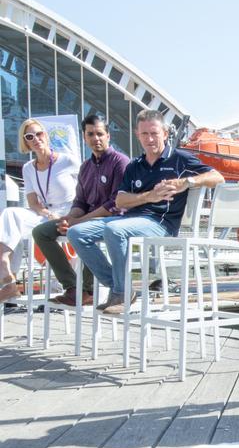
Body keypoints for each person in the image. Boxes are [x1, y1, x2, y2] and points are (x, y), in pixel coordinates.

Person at [67, 110, 224, 315]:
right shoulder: (135, 165)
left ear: (165, 133)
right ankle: (120, 285)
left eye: (154, 133)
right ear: (137, 135)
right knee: (76, 233)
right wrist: (149, 196)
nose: (150, 139)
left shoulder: (179, 159)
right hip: (130, 220)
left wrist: (187, 182)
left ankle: (121, 293)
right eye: (144, 134)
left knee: (115, 229)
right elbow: (120, 200)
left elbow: (217, 176)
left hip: (161, 224)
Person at [33, 113, 129, 307]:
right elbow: (80, 202)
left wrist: (79, 221)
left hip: (115, 219)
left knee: (79, 231)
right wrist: (69, 218)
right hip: (89, 218)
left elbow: (116, 204)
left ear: (108, 136)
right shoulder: (85, 167)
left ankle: (91, 289)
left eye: (100, 133)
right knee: (41, 232)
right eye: (91, 134)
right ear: (84, 137)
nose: (96, 138)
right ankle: (72, 288)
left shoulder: (120, 162)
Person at [0, 119, 79, 304]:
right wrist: (46, 213)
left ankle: (7, 282)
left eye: (39, 133)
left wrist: (76, 214)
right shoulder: (28, 168)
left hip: (69, 213)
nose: (36, 138)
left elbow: (87, 189)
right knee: (10, 214)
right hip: (45, 214)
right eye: (30, 136)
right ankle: (7, 275)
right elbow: (32, 201)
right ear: (26, 142)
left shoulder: (68, 161)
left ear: (46, 135)